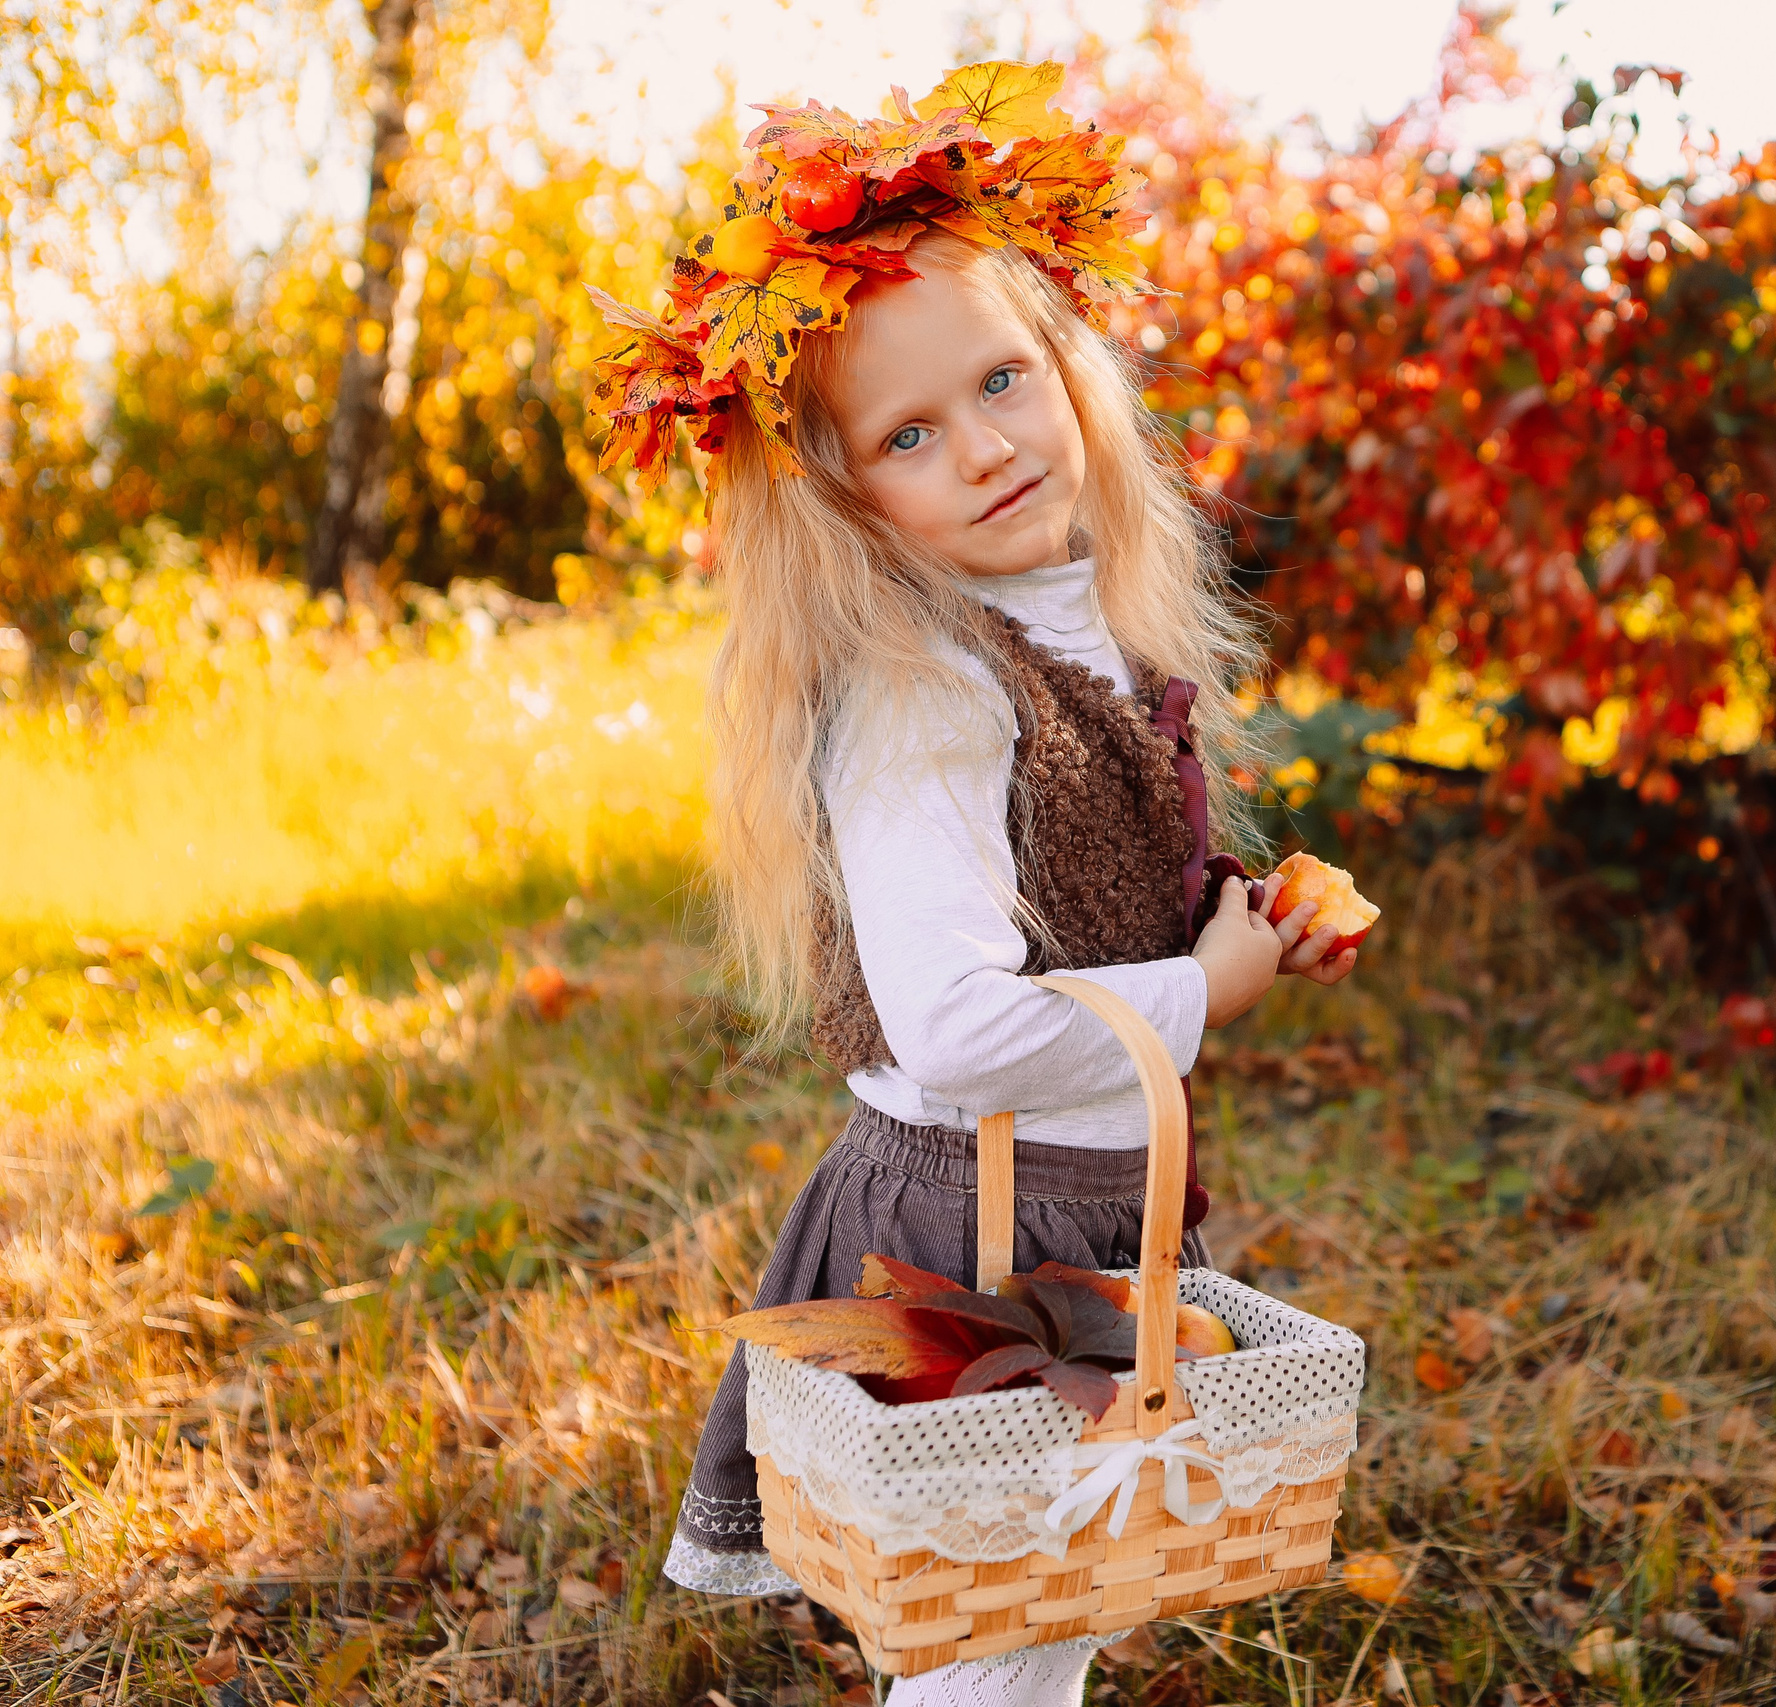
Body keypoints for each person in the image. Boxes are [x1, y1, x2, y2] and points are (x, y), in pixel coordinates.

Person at [586, 63, 1360, 1705]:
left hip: (1069, 1206)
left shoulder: (1080, 625)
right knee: (994, 1635)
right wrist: (1199, 997)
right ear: (853, 492)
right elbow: (948, 1024)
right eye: (913, 432)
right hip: (971, 1225)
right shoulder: (930, 694)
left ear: (1070, 368)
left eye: (1006, 378)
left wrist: (1241, 913)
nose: (989, 445)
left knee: (1040, 1613)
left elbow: (1074, 882)